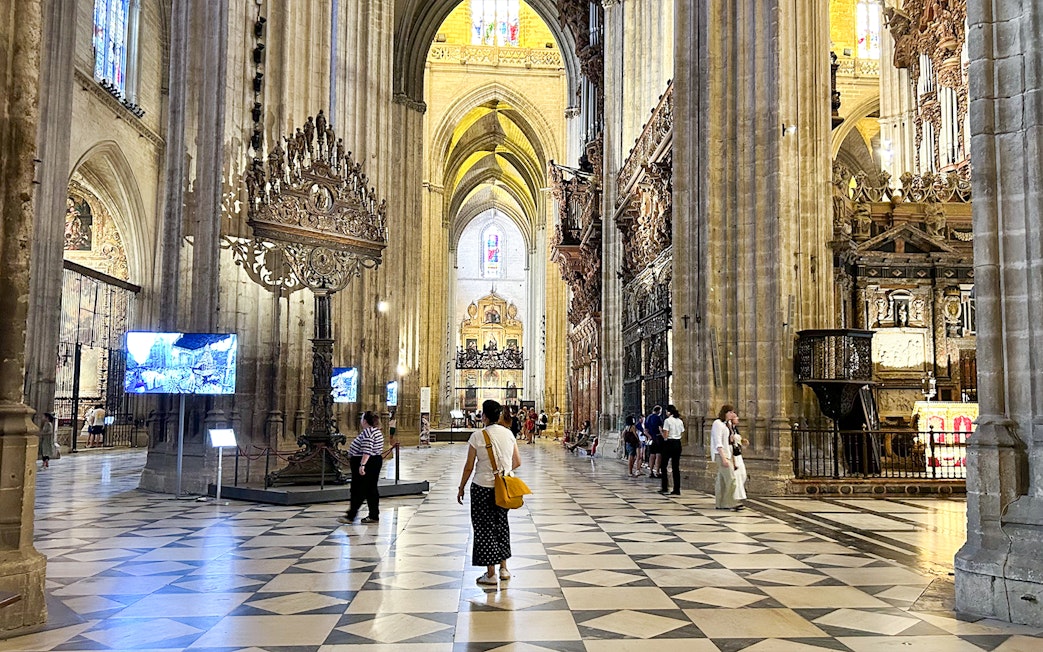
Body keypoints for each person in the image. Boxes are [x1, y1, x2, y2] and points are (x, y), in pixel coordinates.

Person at [457, 399, 521, 586]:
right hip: (504, 486)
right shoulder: (508, 434)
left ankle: (490, 574)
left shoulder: (478, 436)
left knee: (484, 529)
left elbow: (469, 466)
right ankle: (504, 569)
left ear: (484, 416)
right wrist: (503, 470)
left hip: (482, 487)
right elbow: (517, 461)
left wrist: (461, 487)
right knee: (501, 524)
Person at [339, 411, 384, 524]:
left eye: (362, 418)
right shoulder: (376, 431)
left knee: (358, 489)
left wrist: (362, 465)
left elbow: (367, 450)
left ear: (365, 421)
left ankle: (351, 515)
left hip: (366, 462)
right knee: (370, 489)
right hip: (374, 461)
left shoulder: (368, 432)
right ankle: (373, 515)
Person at [711, 405, 743, 510]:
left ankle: (720, 503)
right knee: (731, 479)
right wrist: (723, 457)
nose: (732, 414)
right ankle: (731, 502)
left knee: (722, 481)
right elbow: (718, 442)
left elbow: (727, 442)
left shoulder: (726, 425)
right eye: (731, 412)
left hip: (727, 454)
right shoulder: (717, 424)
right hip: (721, 454)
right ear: (725, 412)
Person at [659, 404, 684, 495]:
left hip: (669, 443)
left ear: (669, 412)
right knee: (675, 467)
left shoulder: (667, 421)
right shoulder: (679, 421)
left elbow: (665, 435)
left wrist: (661, 431)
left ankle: (665, 486)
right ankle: (677, 489)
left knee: (663, 465)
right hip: (678, 444)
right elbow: (682, 432)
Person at [730, 417, 748, 505]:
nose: (738, 418)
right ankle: (735, 498)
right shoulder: (728, 428)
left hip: (738, 454)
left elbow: (738, 440)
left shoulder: (735, 429)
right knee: (737, 476)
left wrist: (742, 441)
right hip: (733, 455)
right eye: (735, 417)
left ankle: (738, 496)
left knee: (743, 474)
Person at [644, 406, 663, 477]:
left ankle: (650, 471)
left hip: (651, 439)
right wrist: (664, 437)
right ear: (658, 411)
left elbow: (645, 431)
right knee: (658, 454)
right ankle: (657, 471)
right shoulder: (657, 418)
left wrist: (650, 437)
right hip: (658, 437)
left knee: (652, 455)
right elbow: (660, 428)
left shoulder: (648, 418)